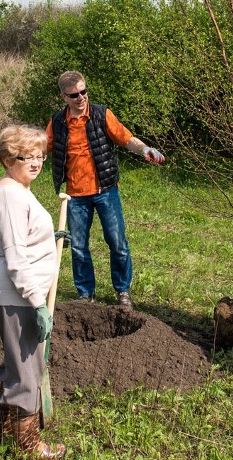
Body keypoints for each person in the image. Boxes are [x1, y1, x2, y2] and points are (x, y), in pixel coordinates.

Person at [46, 70, 165, 308]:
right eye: (74, 95)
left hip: (105, 190)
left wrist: (144, 149)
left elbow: (126, 138)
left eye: (83, 91)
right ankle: (85, 294)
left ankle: (123, 292)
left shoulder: (101, 114)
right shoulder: (58, 122)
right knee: (79, 247)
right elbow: (41, 148)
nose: (81, 98)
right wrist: (18, 159)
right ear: (64, 97)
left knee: (117, 243)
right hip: (75, 196)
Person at [0, 125, 66, 459]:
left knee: (18, 368)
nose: (35, 163)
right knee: (27, 372)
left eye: (40, 156)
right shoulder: (10, 196)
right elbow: (17, 260)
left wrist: (50, 239)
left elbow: (27, 240)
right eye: (26, 157)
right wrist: (38, 304)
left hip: (21, 296)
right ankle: (30, 446)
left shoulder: (18, 189)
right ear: (7, 159)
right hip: (19, 297)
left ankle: (2, 431)